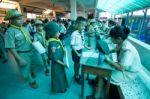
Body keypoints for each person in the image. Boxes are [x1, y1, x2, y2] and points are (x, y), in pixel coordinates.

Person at [87, 25, 142, 99]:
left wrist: (108, 60)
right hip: (124, 68)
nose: (110, 39)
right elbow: (114, 50)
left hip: (128, 73)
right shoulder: (121, 42)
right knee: (102, 68)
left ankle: (97, 96)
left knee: (102, 73)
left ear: (119, 38)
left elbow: (121, 68)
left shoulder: (128, 50)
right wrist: (105, 51)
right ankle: (96, 82)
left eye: (111, 37)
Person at [4, 9, 43, 89]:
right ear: (11, 20)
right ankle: (31, 81)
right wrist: (19, 59)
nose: (22, 20)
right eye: (18, 19)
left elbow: (29, 39)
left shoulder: (24, 28)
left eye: (21, 18)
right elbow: (10, 48)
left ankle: (32, 71)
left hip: (32, 50)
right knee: (25, 69)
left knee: (39, 63)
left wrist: (34, 41)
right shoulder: (10, 32)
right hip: (23, 53)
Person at [44, 22, 68, 93]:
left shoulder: (56, 40)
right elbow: (54, 58)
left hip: (60, 61)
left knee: (61, 75)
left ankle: (62, 87)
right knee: (58, 76)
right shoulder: (52, 43)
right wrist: (63, 64)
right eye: (58, 32)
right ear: (52, 33)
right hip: (57, 64)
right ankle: (59, 89)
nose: (59, 33)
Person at [71, 16, 90, 84]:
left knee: (79, 63)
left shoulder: (82, 32)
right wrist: (77, 53)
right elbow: (72, 46)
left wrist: (86, 47)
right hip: (75, 51)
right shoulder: (74, 34)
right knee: (76, 64)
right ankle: (76, 75)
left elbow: (82, 42)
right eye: (82, 25)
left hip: (80, 50)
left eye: (84, 26)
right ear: (77, 24)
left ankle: (77, 74)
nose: (83, 27)